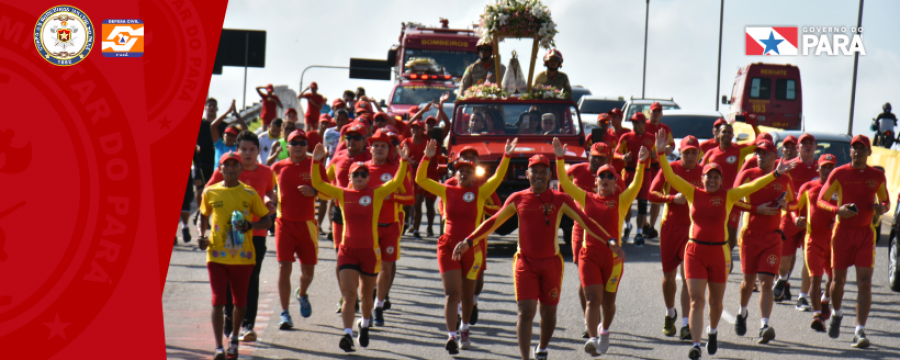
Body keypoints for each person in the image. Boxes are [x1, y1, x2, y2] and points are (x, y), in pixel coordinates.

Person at [653, 129, 796, 360]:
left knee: (715, 302)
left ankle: (713, 332)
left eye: (716, 177)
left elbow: (753, 186)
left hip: (720, 252)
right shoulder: (692, 192)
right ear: (703, 179)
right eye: (708, 176)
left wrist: (776, 174)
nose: (711, 180)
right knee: (696, 300)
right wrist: (661, 153)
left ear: (721, 181)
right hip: (695, 251)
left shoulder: (729, 195)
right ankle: (697, 344)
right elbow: (670, 176)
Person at [454, 154, 613, 360]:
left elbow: (586, 222)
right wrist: (469, 240)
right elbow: (493, 221)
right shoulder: (518, 198)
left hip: (552, 264)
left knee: (548, 316)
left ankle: (542, 349)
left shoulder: (561, 199)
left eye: (543, 171)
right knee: (526, 312)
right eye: (534, 171)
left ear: (549, 175)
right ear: (527, 174)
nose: (538, 175)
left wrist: (610, 241)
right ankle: (524, 358)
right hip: (525, 262)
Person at [416, 138, 515, 354]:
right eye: (460, 170)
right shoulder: (446, 190)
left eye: (468, 171)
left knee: (468, 296)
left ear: (474, 174)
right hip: (448, 245)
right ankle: (451, 335)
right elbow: (421, 179)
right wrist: (427, 156)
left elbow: (498, 177)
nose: (463, 174)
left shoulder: (480, 191)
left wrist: (506, 156)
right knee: (452, 294)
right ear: (455, 172)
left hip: (473, 247)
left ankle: (465, 328)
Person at [310, 142, 410, 352]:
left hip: (369, 253)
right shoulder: (341, 194)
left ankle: (364, 325)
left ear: (367, 178)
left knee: (366, 297)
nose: (360, 178)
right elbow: (318, 183)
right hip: (347, 251)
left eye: (364, 175)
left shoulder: (377, 194)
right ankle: (347, 334)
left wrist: (403, 160)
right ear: (350, 178)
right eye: (356, 175)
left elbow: (398, 181)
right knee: (349, 295)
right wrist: (316, 161)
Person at [553, 138, 641, 356]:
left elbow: (637, 184)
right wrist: (559, 157)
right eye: (602, 175)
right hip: (589, 255)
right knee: (593, 299)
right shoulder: (585, 198)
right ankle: (592, 337)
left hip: (613, 259)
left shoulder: (621, 200)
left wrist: (642, 163)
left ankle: (604, 331)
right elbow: (564, 179)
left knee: (608, 304)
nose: (606, 179)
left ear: (615, 182)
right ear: (596, 181)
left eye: (610, 176)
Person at [198, 151, 272, 360]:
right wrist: (202, 235)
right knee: (217, 302)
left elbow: (267, 220)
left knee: (240, 303)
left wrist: (250, 225)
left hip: (243, 257)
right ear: (220, 169)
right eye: (226, 165)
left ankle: (233, 338)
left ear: (240, 169)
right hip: (216, 256)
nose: (230, 169)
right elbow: (202, 217)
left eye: (234, 165)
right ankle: (218, 347)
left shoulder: (249, 194)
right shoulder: (210, 192)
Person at [817, 135, 890, 348]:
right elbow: (821, 200)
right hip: (842, 233)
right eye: (854, 148)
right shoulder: (839, 173)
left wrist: (881, 208)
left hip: (866, 234)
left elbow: (885, 201)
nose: (857, 151)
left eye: (862, 148)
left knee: (865, 283)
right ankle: (837, 313)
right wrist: (837, 210)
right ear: (850, 152)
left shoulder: (877, 176)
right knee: (838, 282)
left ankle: (859, 330)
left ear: (869, 152)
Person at [732, 139, 797, 345]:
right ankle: (742, 312)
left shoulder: (785, 178)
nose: (759, 156)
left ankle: (764, 325)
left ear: (774, 156)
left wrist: (786, 204)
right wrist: (756, 209)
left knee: (766, 282)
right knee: (748, 283)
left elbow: (794, 204)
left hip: (772, 238)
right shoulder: (748, 174)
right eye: (758, 153)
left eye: (764, 153)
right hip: (750, 236)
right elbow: (732, 198)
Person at [565, 141, 624, 338]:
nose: (596, 160)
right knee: (584, 280)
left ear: (607, 159)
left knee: (603, 292)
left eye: (601, 157)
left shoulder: (611, 177)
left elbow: (622, 199)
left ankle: (599, 320)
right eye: (594, 156)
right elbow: (561, 180)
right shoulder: (577, 169)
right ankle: (589, 318)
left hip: (605, 232)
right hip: (580, 228)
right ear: (588, 155)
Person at [269, 130, 326, 330]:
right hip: (284, 224)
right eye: (294, 142)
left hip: (307, 225)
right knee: (284, 268)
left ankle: (302, 293)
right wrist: (271, 198)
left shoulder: (315, 165)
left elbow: (330, 192)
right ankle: (285, 313)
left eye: (303, 142)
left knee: (308, 273)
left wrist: (315, 191)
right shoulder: (277, 167)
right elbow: (268, 190)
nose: (299, 145)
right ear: (288, 145)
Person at [440, 146, 504, 328]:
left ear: (477, 163)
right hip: (453, 235)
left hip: (477, 236)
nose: (469, 161)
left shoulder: (483, 183)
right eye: (464, 158)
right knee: (456, 278)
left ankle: (472, 301)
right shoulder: (451, 183)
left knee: (477, 277)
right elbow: (442, 203)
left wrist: (481, 207)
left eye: (472, 158)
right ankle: (460, 310)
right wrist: (446, 215)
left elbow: (497, 207)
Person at [649, 136, 703, 340]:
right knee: (669, 277)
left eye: (693, 152)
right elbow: (651, 194)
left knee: (689, 277)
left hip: (693, 229)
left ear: (699, 154)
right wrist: (672, 199)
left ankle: (685, 324)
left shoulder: (705, 172)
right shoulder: (669, 168)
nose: (690, 156)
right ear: (679, 153)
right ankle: (670, 313)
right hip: (670, 228)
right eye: (686, 152)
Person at [364, 129, 415, 325]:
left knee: (386, 267)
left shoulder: (397, 169)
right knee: (369, 269)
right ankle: (367, 304)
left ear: (389, 149)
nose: (378, 149)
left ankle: (378, 305)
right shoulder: (361, 170)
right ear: (370, 148)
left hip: (391, 225)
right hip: (367, 227)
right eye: (375, 145)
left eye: (383, 146)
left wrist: (390, 197)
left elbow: (410, 198)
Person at [326, 123, 373, 312]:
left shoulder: (371, 159)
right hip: (341, 214)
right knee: (341, 259)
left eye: (356, 138)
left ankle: (366, 295)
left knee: (364, 261)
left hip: (366, 214)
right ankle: (346, 297)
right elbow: (325, 180)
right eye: (348, 137)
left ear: (364, 141)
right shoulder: (338, 158)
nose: (351, 141)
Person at [772, 134, 821, 307]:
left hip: (813, 220)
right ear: (797, 147)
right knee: (784, 259)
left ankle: (802, 296)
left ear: (816, 147)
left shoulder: (822, 168)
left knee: (809, 260)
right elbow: (777, 186)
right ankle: (783, 278)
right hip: (790, 217)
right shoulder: (789, 166)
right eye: (804, 144)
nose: (808, 146)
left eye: (811, 143)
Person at [701, 120, 761, 252]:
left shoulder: (739, 150)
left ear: (733, 135)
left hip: (733, 199)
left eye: (729, 132)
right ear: (718, 133)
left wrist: (754, 125)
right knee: (713, 233)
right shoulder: (710, 153)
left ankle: (724, 260)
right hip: (715, 198)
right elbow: (700, 172)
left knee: (731, 239)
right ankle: (718, 260)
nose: (727, 134)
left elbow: (758, 143)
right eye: (724, 132)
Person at [794, 153, 838, 332]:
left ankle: (825, 299)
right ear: (817, 168)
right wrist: (795, 218)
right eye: (824, 166)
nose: (827, 170)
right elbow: (794, 209)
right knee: (815, 279)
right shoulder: (808, 187)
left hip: (835, 240)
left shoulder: (840, 188)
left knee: (834, 278)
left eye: (830, 167)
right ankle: (817, 315)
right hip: (813, 240)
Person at [615, 113, 657, 246]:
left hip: (645, 173)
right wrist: (623, 157)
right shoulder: (626, 137)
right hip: (629, 173)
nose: (635, 125)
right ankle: (628, 225)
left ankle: (639, 232)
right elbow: (616, 152)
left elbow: (657, 155)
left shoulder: (651, 138)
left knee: (642, 204)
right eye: (633, 122)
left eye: (638, 122)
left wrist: (652, 154)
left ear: (644, 124)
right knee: (627, 202)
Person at [643, 102, 676, 240]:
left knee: (656, 197)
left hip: (657, 167)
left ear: (661, 114)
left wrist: (668, 149)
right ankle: (643, 223)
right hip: (644, 168)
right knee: (643, 197)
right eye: (653, 111)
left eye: (658, 112)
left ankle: (651, 225)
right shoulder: (643, 125)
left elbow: (672, 144)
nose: (656, 114)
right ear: (649, 113)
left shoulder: (665, 128)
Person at [210, 100, 248, 165]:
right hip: (218, 174)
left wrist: (236, 114)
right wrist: (228, 112)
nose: (230, 137)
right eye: (228, 134)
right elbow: (213, 126)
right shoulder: (219, 144)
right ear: (223, 135)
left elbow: (246, 131)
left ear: (236, 137)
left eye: (232, 135)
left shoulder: (238, 148)